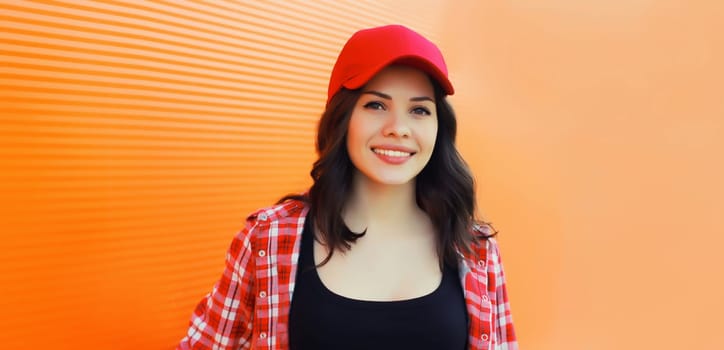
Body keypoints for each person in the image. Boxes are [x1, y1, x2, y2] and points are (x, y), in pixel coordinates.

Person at [177, 24, 517, 350]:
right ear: (342, 118)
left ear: (438, 127)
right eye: (376, 105)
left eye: (419, 110)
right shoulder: (268, 238)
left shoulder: (476, 249)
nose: (398, 128)